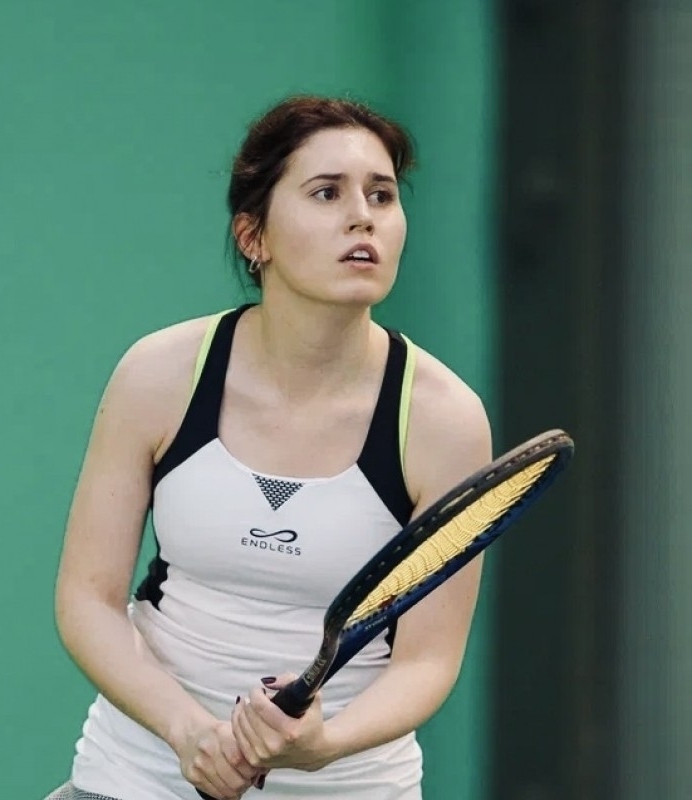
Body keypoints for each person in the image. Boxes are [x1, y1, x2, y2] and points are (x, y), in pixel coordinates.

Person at [44, 95, 492, 800]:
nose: (363, 217)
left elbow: (427, 662)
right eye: (326, 193)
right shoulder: (158, 375)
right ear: (254, 237)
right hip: (135, 777)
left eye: (381, 194)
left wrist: (323, 746)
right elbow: (87, 598)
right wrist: (188, 733)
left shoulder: (445, 419)